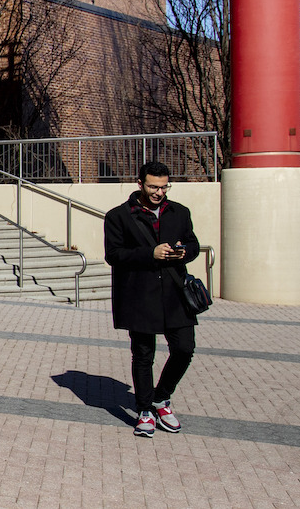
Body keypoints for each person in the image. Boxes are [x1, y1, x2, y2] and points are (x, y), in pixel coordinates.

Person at [103, 160, 202, 437]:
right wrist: (150, 254)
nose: (159, 192)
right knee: (144, 355)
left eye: (163, 186)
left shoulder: (180, 213)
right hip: (140, 295)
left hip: (175, 294)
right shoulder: (118, 216)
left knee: (184, 348)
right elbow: (114, 255)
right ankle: (145, 409)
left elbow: (193, 243)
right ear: (140, 184)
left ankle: (161, 397)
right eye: (153, 187)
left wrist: (185, 252)